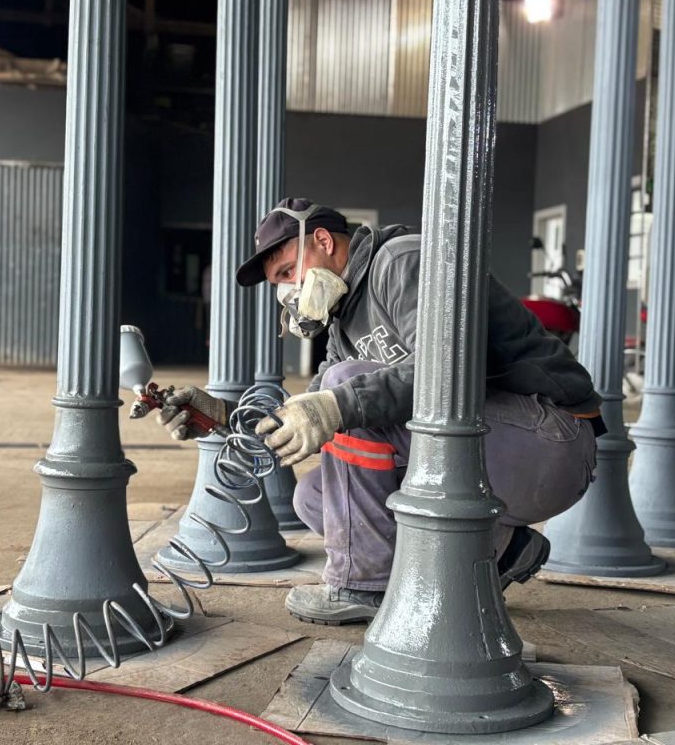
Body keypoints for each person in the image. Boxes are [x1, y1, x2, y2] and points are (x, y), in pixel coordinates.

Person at [158, 198, 604, 626]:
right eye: (279, 282)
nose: (287, 291)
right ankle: (505, 549)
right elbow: (304, 416)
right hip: (484, 454)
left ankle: (361, 587)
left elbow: (446, 368)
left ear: (323, 241)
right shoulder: (343, 325)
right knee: (315, 497)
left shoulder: (402, 261)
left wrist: (337, 404)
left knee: (343, 389)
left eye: (288, 271)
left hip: (550, 442)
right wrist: (224, 417)